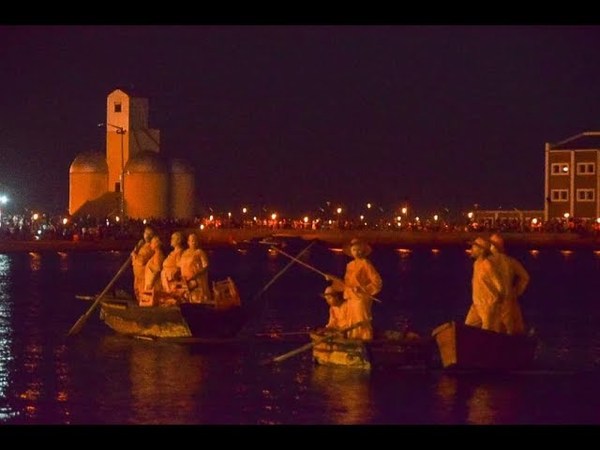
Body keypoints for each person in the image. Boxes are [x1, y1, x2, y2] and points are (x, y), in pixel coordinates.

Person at [324, 238, 382, 340]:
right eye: (354, 250)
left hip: (360, 299)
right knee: (351, 323)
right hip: (350, 298)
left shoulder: (366, 264)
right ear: (351, 251)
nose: (357, 252)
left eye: (359, 250)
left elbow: (377, 282)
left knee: (361, 321)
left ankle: (365, 343)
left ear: (363, 251)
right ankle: (353, 344)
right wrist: (332, 279)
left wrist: (363, 289)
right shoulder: (350, 265)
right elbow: (346, 285)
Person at [489, 233, 530, 335]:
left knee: (492, 326)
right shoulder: (511, 261)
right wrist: (516, 291)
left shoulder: (487, 262)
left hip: (491, 298)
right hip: (508, 297)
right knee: (508, 327)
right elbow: (525, 277)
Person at [464, 236, 505, 332]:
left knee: (488, 332)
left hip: (488, 305)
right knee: (467, 329)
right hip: (477, 304)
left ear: (481, 250)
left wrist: (498, 302)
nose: (471, 249)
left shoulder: (487, 264)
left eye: (474, 247)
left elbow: (499, 284)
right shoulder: (476, 264)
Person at [178, 232, 210, 303]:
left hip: (196, 279)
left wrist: (195, 274)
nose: (194, 242)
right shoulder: (185, 253)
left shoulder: (200, 252)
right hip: (185, 279)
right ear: (188, 242)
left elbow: (205, 266)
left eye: (195, 240)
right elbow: (180, 265)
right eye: (192, 240)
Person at [131, 226, 155, 301]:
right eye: (145, 232)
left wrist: (134, 255)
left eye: (148, 233)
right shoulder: (143, 246)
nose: (146, 235)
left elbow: (141, 261)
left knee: (143, 294)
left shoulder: (150, 247)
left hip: (143, 277)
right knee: (137, 292)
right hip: (137, 275)